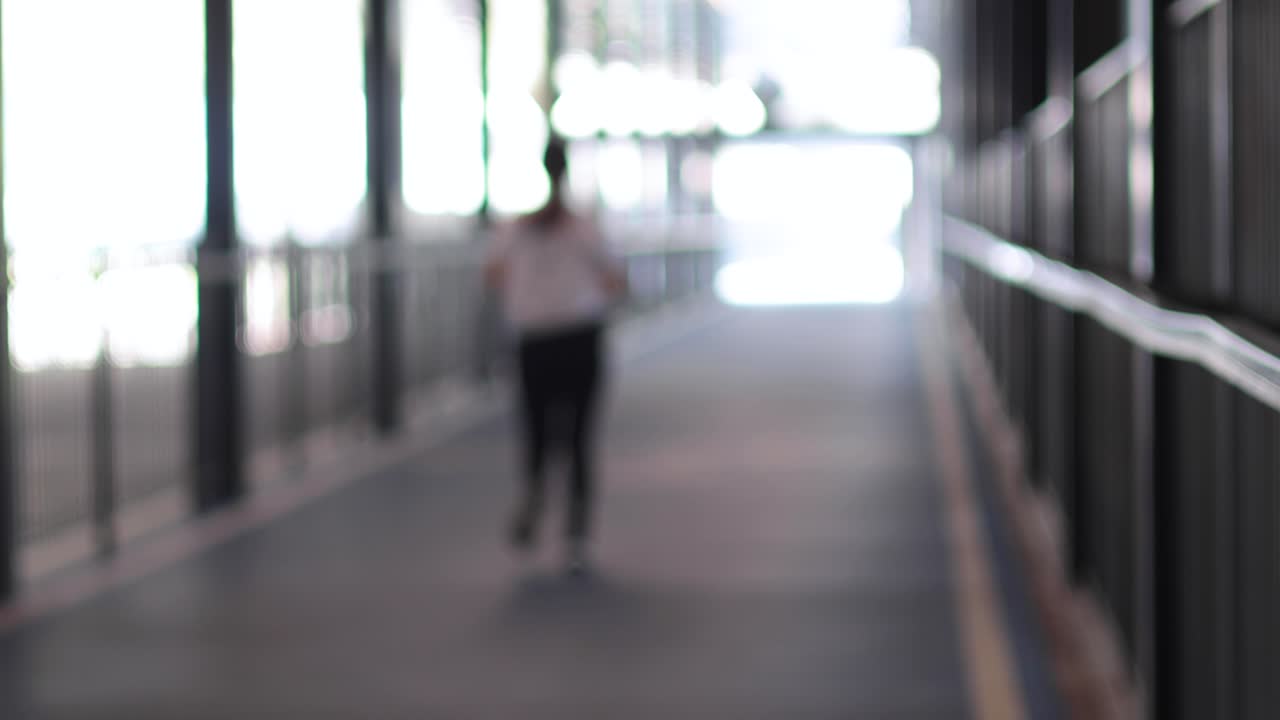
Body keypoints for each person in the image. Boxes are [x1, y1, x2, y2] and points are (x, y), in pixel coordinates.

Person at [483, 136, 627, 573]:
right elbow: (615, 279)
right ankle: (575, 530)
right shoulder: (582, 227)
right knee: (580, 435)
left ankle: (538, 498)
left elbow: (492, 276)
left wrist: (530, 292)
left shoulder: (517, 229)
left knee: (537, 430)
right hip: (577, 337)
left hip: (537, 340)